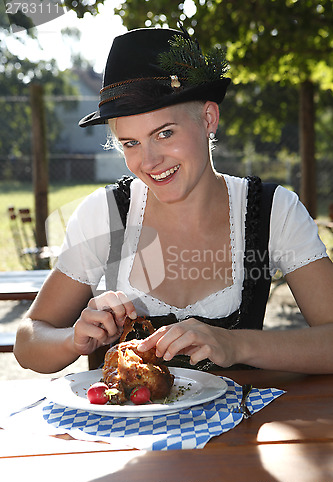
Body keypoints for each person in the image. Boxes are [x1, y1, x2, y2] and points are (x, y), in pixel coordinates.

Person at [14, 26, 333, 375]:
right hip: (126, 430)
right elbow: (29, 340)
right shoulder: (104, 215)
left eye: (164, 133)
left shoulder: (274, 211)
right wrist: (72, 340)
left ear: (208, 118)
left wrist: (235, 344)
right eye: (130, 143)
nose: (148, 162)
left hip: (239, 427)